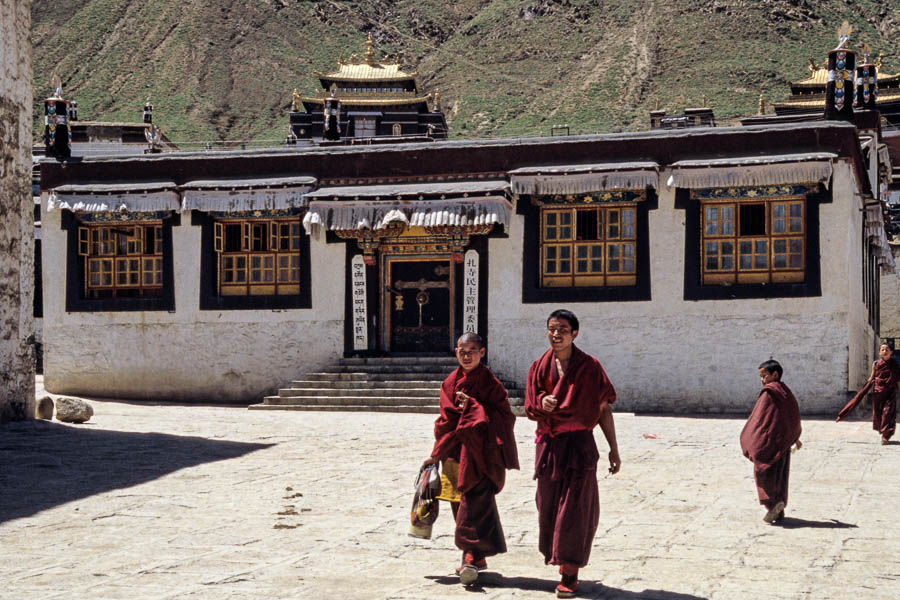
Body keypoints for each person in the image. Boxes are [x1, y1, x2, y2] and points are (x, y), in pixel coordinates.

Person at [524, 309, 620, 599]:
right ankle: (557, 557)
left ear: (574, 333)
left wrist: (613, 448)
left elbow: (603, 408)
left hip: (580, 445)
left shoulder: (590, 367)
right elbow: (530, 406)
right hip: (550, 446)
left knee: (576, 510)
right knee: (549, 506)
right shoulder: (538, 367)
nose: (556, 334)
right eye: (552, 329)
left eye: (563, 329)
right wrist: (544, 402)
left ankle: (570, 572)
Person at [422, 332, 519, 586]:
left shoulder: (491, 384)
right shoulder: (449, 383)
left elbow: (505, 419)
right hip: (455, 452)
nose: (467, 356)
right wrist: (436, 454)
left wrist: (474, 406)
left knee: (474, 503)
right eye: (462, 351)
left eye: (472, 351)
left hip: (482, 454)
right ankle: (478, 555)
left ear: (482, 353)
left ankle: (469, 556)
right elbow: (446, 422)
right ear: (456, 352)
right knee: (459, 502)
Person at [740, 359, 802, 524]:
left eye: (764, 376)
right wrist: (794, 436)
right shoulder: (785, 391)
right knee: (780, 475)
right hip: (782, 442)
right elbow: (792, 415)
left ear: (775, 374)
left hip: (769, 442)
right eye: (760, 376)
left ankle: (773, 504)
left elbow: (760, 418)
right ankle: (779, 508)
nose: (762, 380)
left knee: (764, 471)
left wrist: (753, 438)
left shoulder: (770, 392)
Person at [836, 342, 900, 444]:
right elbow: (872, 377)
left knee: (888, 414)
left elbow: (897, 380)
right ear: (879, 352)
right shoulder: (876, 364)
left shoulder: (895, 365)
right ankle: (884, 432)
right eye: (882, 350)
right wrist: (864, 390)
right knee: (879, 414)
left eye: (887, 349)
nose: (884, 351)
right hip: (878, 393)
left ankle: (885, 436)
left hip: (890, 393)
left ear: (891, 352)